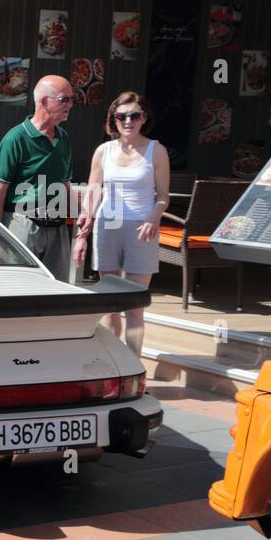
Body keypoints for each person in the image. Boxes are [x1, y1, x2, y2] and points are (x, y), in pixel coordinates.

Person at [74, 92, 169, 355]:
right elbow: (93, 192)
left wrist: (154, 217)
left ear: (143, 119)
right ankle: (113, 363)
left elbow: (163, 196)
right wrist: (83, 232)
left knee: (134, 305)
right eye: (121, 116)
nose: (128, 121)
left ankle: (135, 366)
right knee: (110, 302)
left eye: (134, 115)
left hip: (142, 227)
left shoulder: (156, 150)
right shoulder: (103, 151)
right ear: (113, 120)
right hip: (109, 225)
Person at [0, 75, 75, 280]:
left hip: (57, 227)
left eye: (72, 99)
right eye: (65, 99)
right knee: (20, 288)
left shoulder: (64, 139)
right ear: (44, 101)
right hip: (23, 223)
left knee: (57, 291)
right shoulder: (15, 139)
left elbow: (65, 185)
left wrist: (78, 224)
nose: (70, 105)